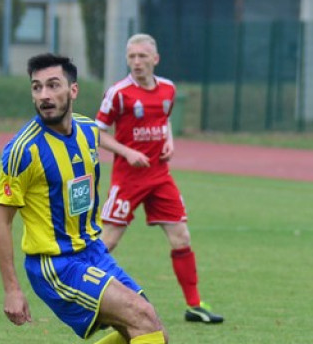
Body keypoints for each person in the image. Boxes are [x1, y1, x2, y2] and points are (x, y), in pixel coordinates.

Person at [0, 53, 229, 344]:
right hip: (56, 264)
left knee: (151, 333)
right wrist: (11, 288)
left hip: (92, 251)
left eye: (53, 85)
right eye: (36, 87)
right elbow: (0, 221)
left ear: (73, 90)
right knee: (142, 318)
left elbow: (118, 141)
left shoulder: (87, 132)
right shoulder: (22, 150)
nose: (44, 95)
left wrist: (153, 146)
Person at [96, 33, 224, 324]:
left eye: (142, 56)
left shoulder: (168, 89)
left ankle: (194, 305)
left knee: (182, 237)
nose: (137, 62)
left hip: (159, 176)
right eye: (131, 57)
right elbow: (98, 132)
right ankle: (88, 298)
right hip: (127, 179)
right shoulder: (117, 92)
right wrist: (126, 152)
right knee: (108, 241)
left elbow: (163, 121)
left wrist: (170, 142)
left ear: (155, 59)